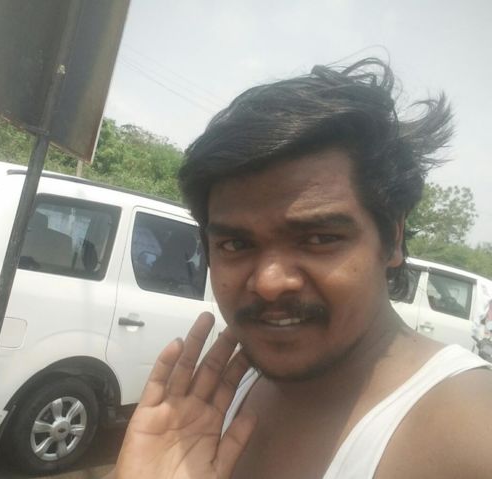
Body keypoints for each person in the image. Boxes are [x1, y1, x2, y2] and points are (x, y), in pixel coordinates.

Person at [109, 58, 492, 478]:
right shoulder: (210, 403)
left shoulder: (470, 436)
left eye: (319, 238)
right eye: (236, 244)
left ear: (393, 238)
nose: (269, 283)